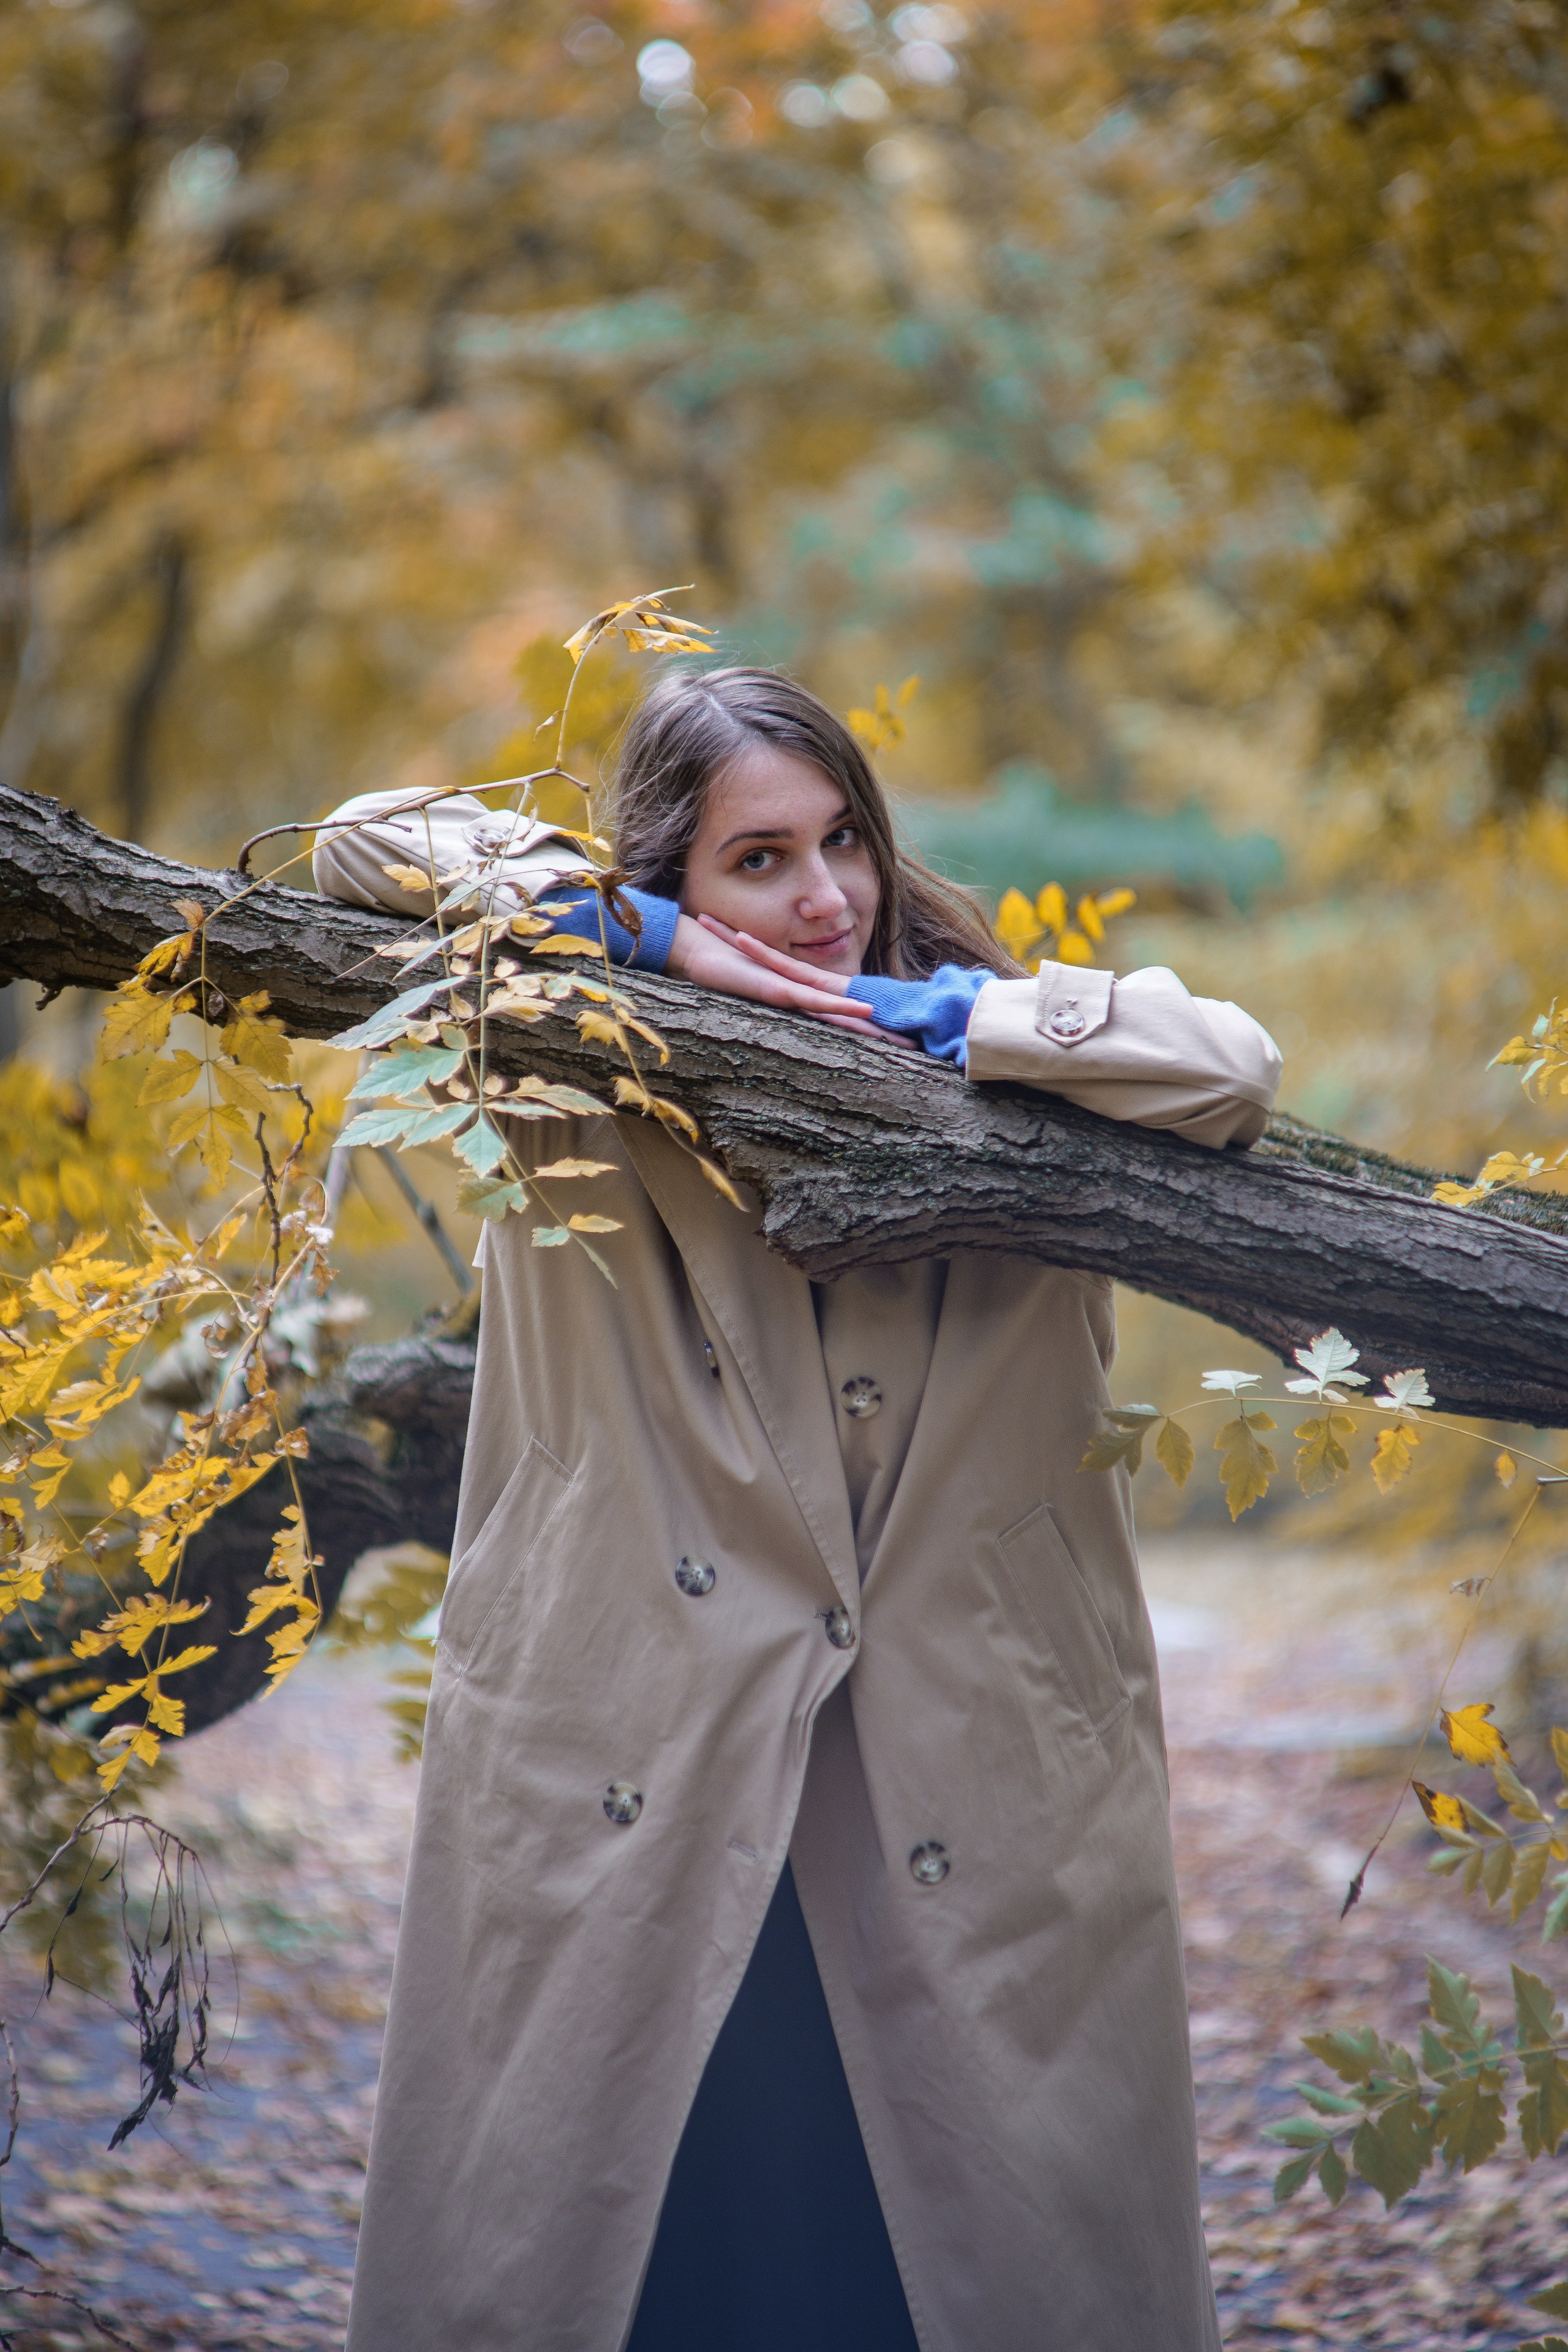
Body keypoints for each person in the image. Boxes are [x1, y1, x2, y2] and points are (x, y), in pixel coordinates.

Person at [312, 666, 1281, 2352]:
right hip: (647, 1757)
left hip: (962, 1763)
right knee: (654, 2258)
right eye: (757, 861)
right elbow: (355, 845)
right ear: (674, 876)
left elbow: (1231, 1068)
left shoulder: (1007, 1057)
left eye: (843, 842)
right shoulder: (565, 1058)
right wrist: (645, 949)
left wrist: (945, 1029)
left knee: (936, 2268)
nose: (822, 897)